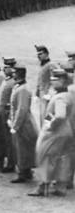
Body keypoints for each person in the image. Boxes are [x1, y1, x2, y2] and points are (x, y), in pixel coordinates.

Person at [29, 68, 73, 197]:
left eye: (55, 80)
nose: (52, 82)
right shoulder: (69, 94)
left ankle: (42, 187)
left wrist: (51, 125)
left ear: (63, 81)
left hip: (55, 133)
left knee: (45, 158)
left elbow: (60, 115)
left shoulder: (60, 97)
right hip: (67, 130)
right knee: (63, 159)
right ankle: (61, 187)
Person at [8, 66, 38, 184]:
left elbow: (22, 109)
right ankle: (26, 171)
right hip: (21, 122)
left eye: (14, 73)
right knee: (22, 148)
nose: (13, 74)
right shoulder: (19, 87)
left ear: (19, 74)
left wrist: (15, 126)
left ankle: (23, 173)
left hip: (24, 124)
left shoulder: (23, 90)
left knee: (22, 149)